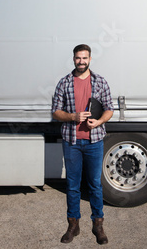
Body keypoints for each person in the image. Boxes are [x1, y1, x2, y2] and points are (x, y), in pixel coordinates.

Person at [52, 44, 114, 245]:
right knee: (72, 185)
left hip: (94, 141)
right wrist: (73, 116)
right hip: (72, 141)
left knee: (95, 184)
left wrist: (99, 121)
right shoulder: (64, 83)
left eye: (84, 58)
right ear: (73, 59)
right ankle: (73, 225)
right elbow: (55, 112)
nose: (81, 61)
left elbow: (109, 109)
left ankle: (98, 225)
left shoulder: (100, 82)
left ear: (90, 59)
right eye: (78, 58)